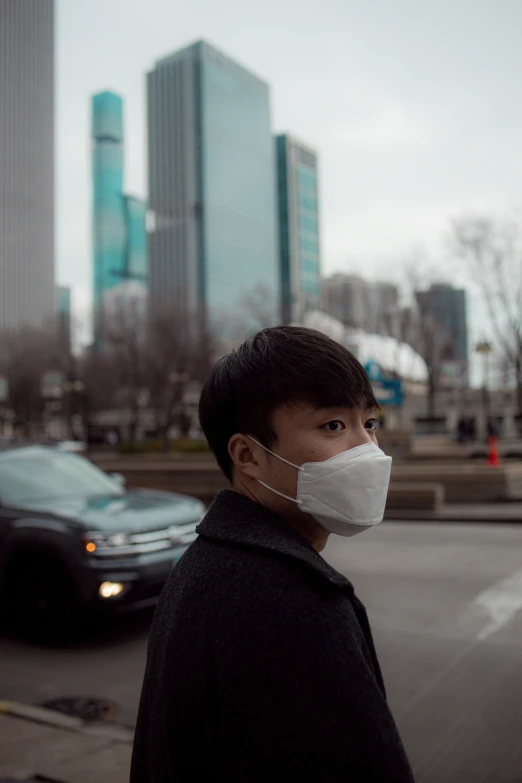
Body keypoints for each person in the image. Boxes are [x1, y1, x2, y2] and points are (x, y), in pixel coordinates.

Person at [131, 326, 415, 782]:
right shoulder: (294, 602)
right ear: (248, 455)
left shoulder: (206, 565)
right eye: (333, 425)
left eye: (370, 422)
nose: (368, 450)